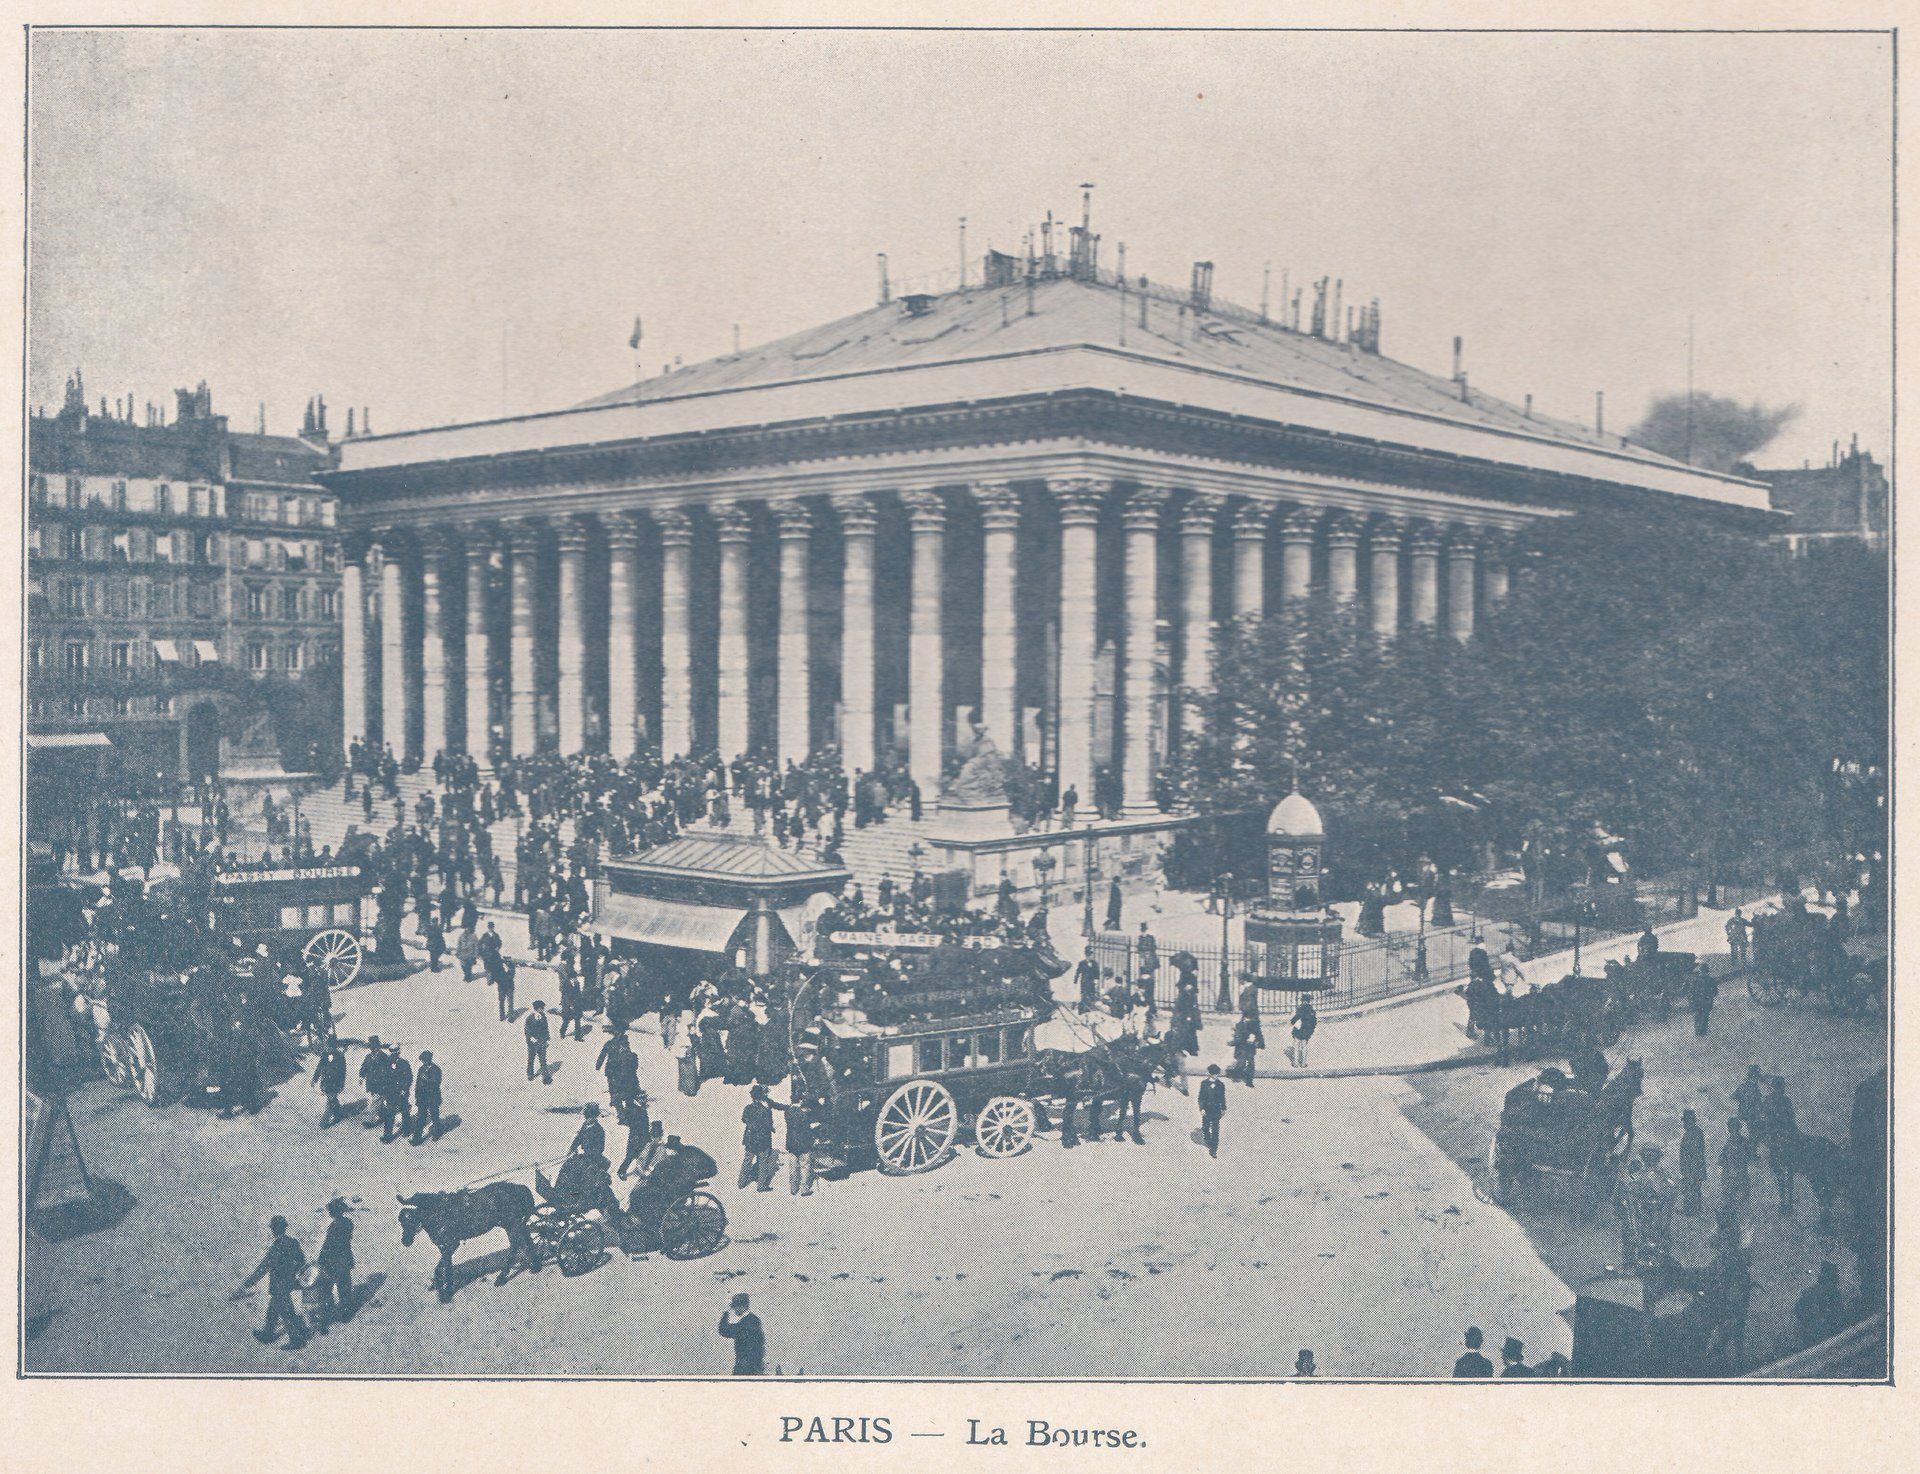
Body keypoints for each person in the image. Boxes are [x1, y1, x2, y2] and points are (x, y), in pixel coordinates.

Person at [241, 1215, 309, 1349]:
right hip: (289, 1282)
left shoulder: (277, 1246)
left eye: (273, 1228)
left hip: (279, 1284)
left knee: (286, 1312)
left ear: (275, 1229)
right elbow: (301, 1261)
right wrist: (292, 1272)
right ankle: (268, 1333)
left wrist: (249, 1282)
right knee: (273, 1309)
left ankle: (296, 1340)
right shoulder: (293, 1242)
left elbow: (264, 1266)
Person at [313, 1197, 355, 1328]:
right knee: (345, 1287)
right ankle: (346, 1313)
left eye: (331, 1210)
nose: (329, 1212)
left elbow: (328, 1245)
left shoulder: (334, 1226)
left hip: (333, 1261)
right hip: (345, 1259)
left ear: (335, 1212)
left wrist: (320, 1260)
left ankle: (331, 1312)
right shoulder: (348, 1223)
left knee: (326, 1288)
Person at [1760, 1076, 1799, 1215]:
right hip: (1778, 1140)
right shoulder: (1774, 1101)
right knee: (1784, 1173)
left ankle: (1786, 1203)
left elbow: (1791, 1120)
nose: (1781, 1089)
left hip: (1781, 1139)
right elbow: (1766, 1122)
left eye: (1781, 1087)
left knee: (1786, 1173)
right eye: (1779, 1087)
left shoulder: (1778, 1101)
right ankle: (1785, 1202)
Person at [1794, 1262, 1847, 1349]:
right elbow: (1798, 1311)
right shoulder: (1810, 1294)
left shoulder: (1835, 1294)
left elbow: (1839, 1315)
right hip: (1815, 1337)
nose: (1836, 1280)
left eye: (1835, 1278)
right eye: (1832, 1278)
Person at [739, 1084, 778, 1192]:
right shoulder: (764, 1109)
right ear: (762, 1096)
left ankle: (741, 1182)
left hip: (750, 1138)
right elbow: (766, 1124)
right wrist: (771, 1128)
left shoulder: (748, 1108)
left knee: (747, 1160)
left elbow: (743, 1119)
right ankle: (761, 1186)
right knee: (763, 1162)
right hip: (762, 1139)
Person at [719, 1292, 765, 1375]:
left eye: (734, 1307)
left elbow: (724, 1330)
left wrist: (725, 1313)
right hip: (754, 1365)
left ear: (741, 1307)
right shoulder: (752, 1320)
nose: (734, 1310)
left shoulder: (748, 1322)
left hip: (746, 1367)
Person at [1720, 1117, 1753, 1218]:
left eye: (1734, 1127)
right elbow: (1723, 1156)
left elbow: (1748, 1156)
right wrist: (1722, 1159)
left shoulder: (1743, 1141)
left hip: (1740, 1175)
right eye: (1730, 1128)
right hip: (1729, 1175)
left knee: (1740, 1200)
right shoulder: (1729, 1141)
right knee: (1729, 1199)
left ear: (1738, 1128)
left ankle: (1740, 1221)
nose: (1732, 1130)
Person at [615, 1092, 654, 1178]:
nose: (644, 1100)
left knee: (643, 1154)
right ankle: (621, 1171)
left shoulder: (640, 1109)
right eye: (642, 1099)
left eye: (644, 1098)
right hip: (636, 1136)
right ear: (637, 1099)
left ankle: (641, 1169)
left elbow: (645, 1125)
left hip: (641, 1136)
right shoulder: (634, 1109)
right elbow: (631, 1123)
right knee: (630, 1155)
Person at [311, 1039, 347, 1127]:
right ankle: (338, 1114)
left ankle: (324, 1122)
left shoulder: (340, 1057)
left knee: (330, 1101)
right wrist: (314, 1079)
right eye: (328, 1046)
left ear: (335, 1047)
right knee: (332, 1099)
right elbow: (319, 1068)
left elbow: (343, 1072)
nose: (329, 1048)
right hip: (326, 1082)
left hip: (335, 1083)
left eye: (331, 1047)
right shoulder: (324, 1056)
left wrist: (341, 1084)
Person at [1678, 1109, 1707, 1217]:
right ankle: (1689, 1210)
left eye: (1686, 1121)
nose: (1684, 1124)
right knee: (1688, 1189)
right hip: (1689, 1169)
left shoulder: (1696, 1133)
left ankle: (1694, 1211)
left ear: (1691, 1121)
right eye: (1684, 1121)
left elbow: (1695, 1153)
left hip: (1694, 1169)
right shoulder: (1689, 1133)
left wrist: (1692, 1171)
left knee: (1693, 1188)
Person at [412, 1049, 443, 1143]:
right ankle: (416, 1138)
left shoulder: (436, 1069)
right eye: (423, 1060)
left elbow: (436, 1083)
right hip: (422, 1098)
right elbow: (417, 1085)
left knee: (434, 1116)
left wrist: (427, 1079)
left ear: (429, 1059)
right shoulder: (421, 1069)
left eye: (425, 1060)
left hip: (433, 1097)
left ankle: (437, 1133)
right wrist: (417, 1097)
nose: (424, 1062)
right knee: (421, 1117)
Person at [1198, 1064, 1226, 1158]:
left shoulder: (1221, 1085)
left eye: (1217, 1074)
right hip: (1206, 1109)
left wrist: (1224, 1108)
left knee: (1215, 1130)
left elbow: (1222, 1098)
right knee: (1205, 1128)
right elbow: (1201, 1098)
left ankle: (1213, 1149)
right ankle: (1207, 1139)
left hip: (1216, 1110)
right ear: (1209, 1074)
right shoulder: (1204, 1084)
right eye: (1214, 1074)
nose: (1215, 1076)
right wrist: (1201, 1108)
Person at [1231, 1012, 1262, 1087]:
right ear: (1244, 1018)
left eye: (1251, 1018)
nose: (1249, 1020)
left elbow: (1259, 1035)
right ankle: (1237, 1075)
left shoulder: (1254, 1025)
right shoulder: (1240, 1025)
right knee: (1241, 1063)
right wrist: (1246, 1039)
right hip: (1242, 1047)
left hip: (1251, 1047)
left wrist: (1256, 1041)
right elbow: (1237, 1036)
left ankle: (1249, 1080)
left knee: (1251, 1064)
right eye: (1248, 1018)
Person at [525, 1000, 552, 1084]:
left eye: (543, 1008)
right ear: (537, 1008)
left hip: (542, 1042)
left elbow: (546, 1028)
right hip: (532, 1043)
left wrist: (547, 1038)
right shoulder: (529, 1018)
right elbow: (527, 1030)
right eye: (541, 1008)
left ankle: (545, 1077)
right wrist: (530, 1038)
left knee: (543, 1060)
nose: (543, 1010)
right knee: (531, 1059)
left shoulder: (543, 1017)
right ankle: (530, 1074)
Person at [1689, 964, 1718, 1037]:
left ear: (1700, 971)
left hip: (1697, 1001)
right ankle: (1703, 1031)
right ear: (1707, 971)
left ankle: (1697, 1031)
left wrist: (1692, 1001)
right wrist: (1710, 996)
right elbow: (1715, 992)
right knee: (1705, 1016)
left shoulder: (1695, 980)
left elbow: (1691, 991)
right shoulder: (1711, 980)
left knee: (1697, 1015)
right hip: (1707, 1001)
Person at [1288, 998, 1317, 1069]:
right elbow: (1314, 1022)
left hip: (1298, 1030)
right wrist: (1310, 1031)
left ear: (1302, 1001)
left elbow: (1294, 1019)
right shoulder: (1312, 1010)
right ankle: (1303, 1063)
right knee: (1304, 1046)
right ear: (1309, 1001)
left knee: (1296, 1046)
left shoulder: (1299, 1008)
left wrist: (1292, 1020)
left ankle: (1295, 1063)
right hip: (1306, 1030)